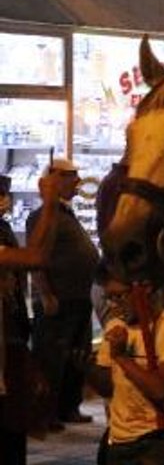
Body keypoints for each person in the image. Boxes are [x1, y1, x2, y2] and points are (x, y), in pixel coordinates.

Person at [86, 269, 164, 465]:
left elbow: (160, 391)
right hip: (119, 438)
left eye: (118, 296)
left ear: (145, 288)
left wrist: (122, 357)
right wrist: (88, 369)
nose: (113, 305)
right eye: (108, 298)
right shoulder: (115, 326)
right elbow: (107, 389)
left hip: (155, 439)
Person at [27, 158, 100, 431]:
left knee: (75, 357)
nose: (78, 182)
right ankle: (46, 414)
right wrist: (46, 294)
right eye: (71, 176)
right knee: (51, 358)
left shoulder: (65, 213)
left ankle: (69, 407)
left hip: (78, 297)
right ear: (56, 178)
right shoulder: (42, 217)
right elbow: (35, 259)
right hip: (59, 298)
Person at [1, 171, 65, 462]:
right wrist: (50, 204)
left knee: (13, 433)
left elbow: (36, 255)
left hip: (9, 341)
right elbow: (35, 257)